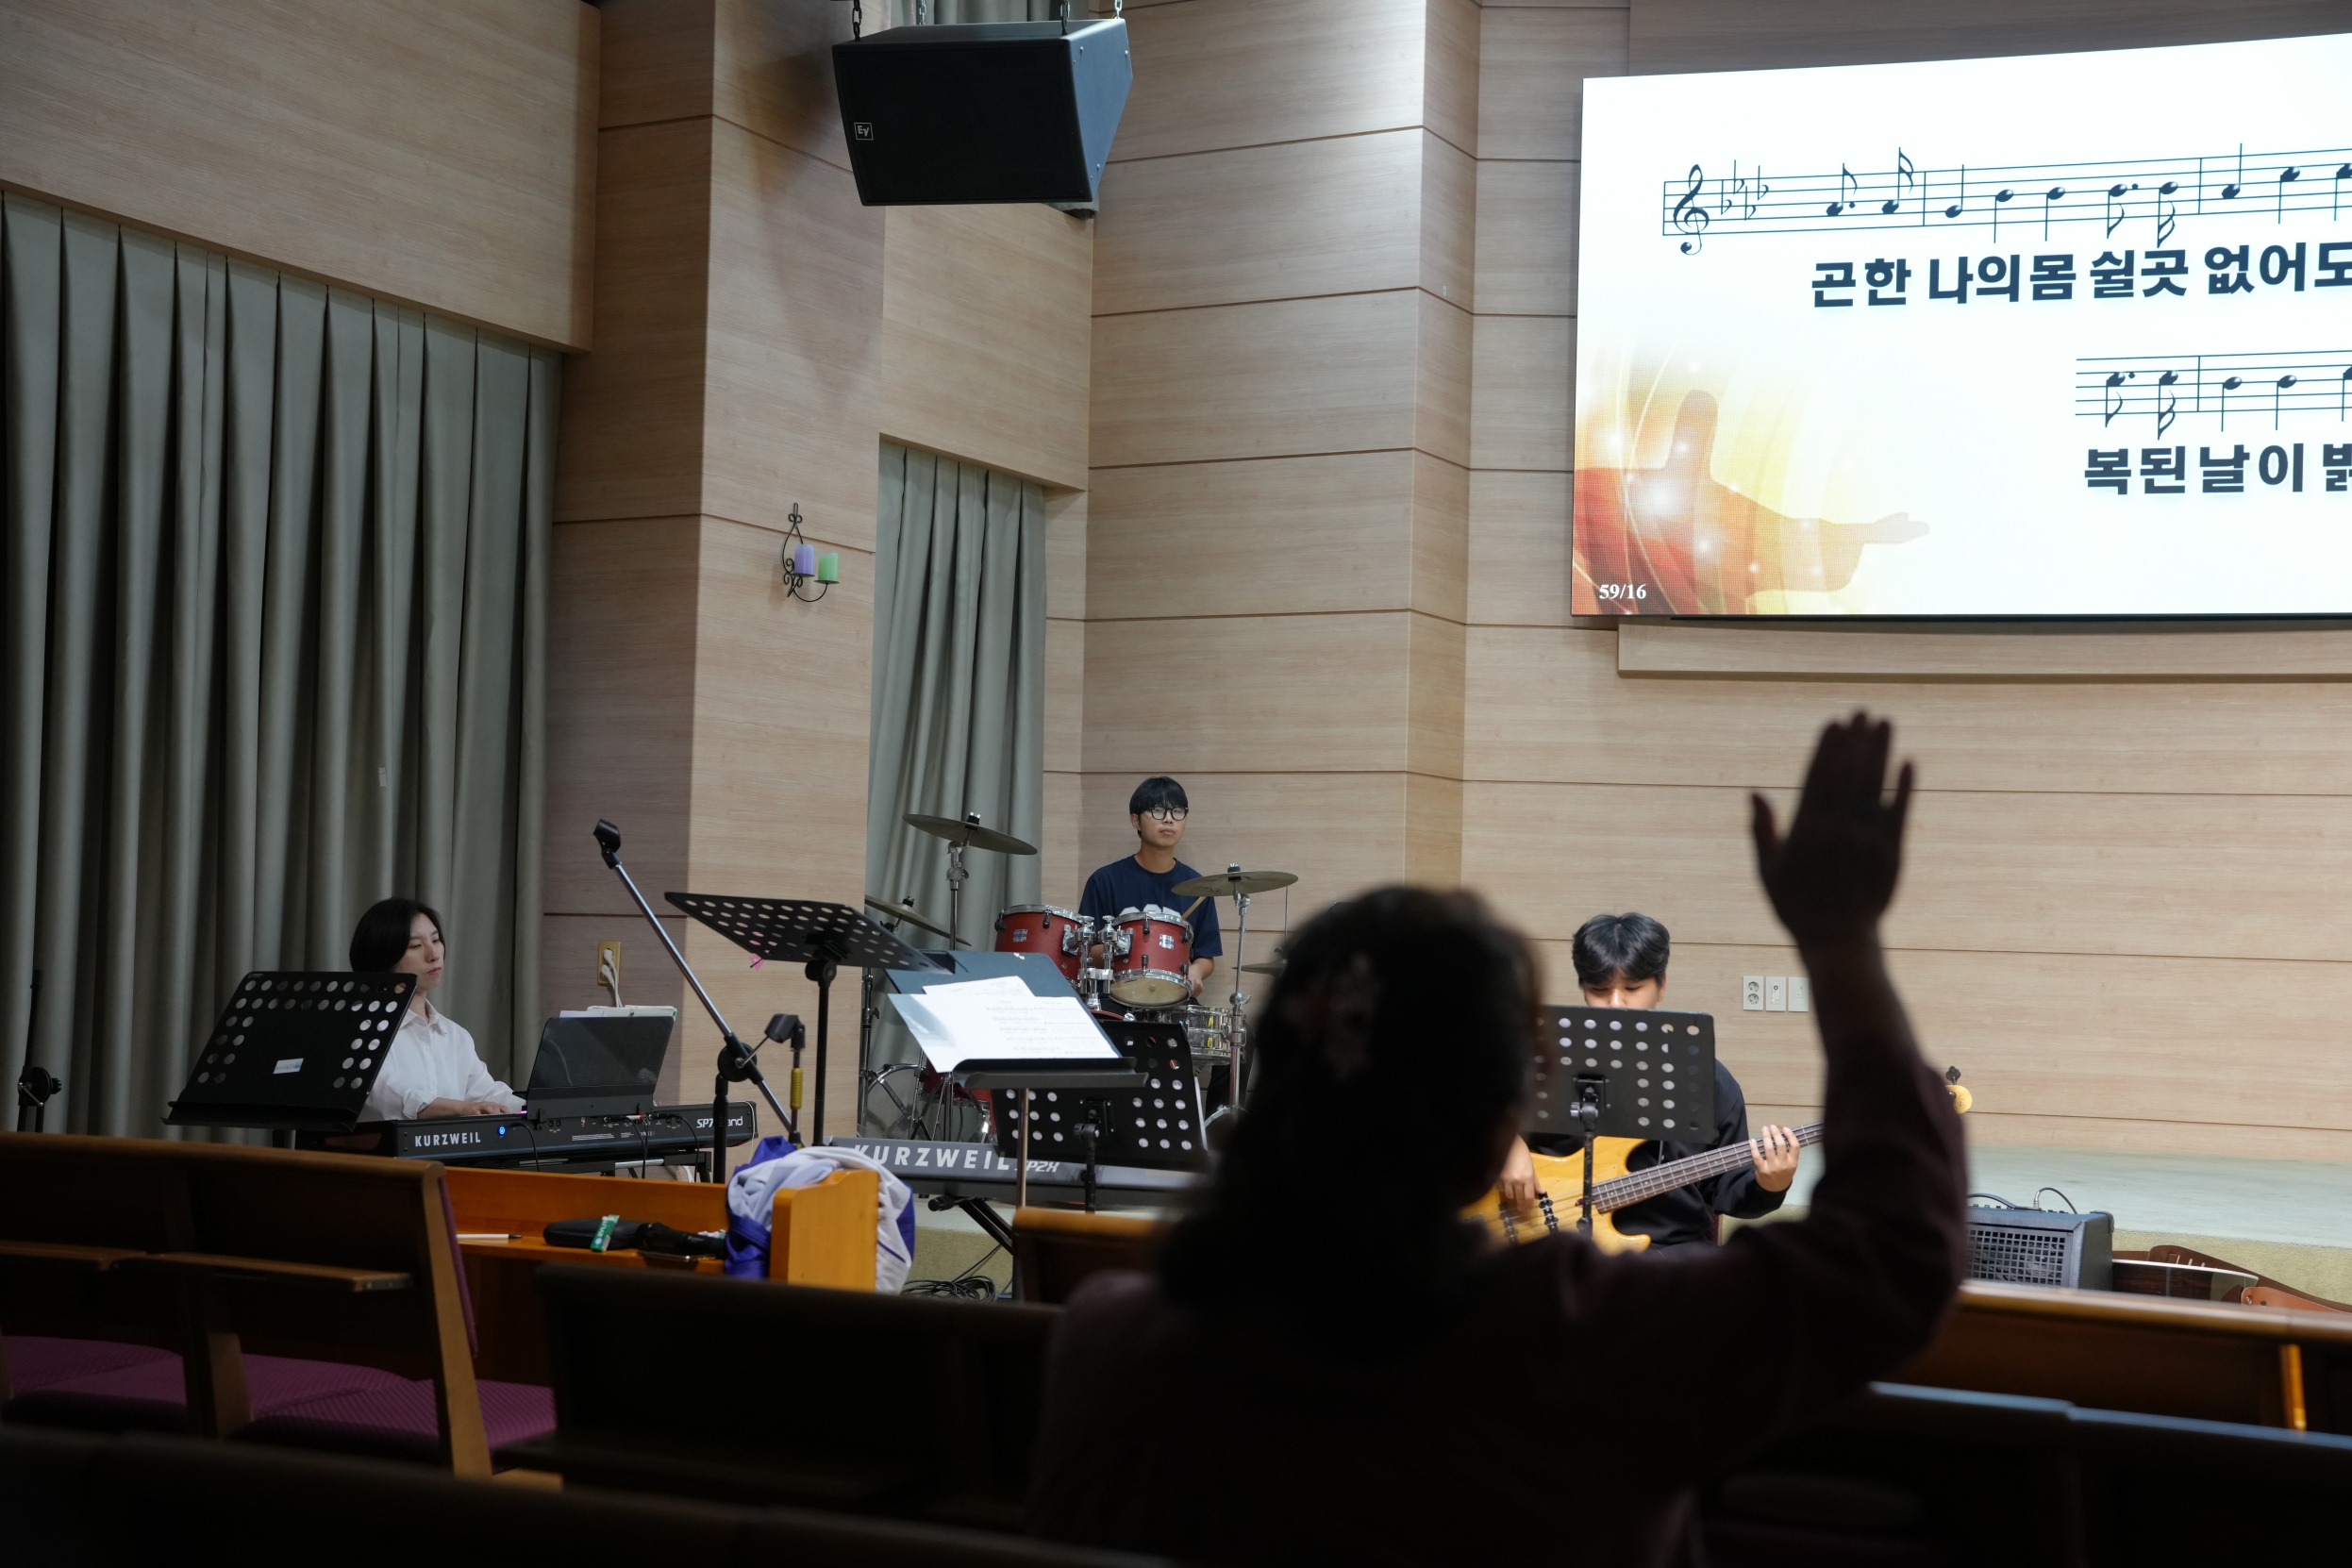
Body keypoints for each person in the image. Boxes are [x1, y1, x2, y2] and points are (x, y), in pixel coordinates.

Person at [1029, 713, 1967, 1566]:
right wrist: (1840, 940)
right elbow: (1890, 1262)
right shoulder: (1584, 1341)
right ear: (1495, 1126)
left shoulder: (1106, 1339)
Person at [1497, 911, 1801, 1246]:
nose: (1616, 1004)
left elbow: (1728, 1193)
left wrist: (1772, 1184)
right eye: (1599, 989)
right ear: (1583, 987)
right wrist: (1505, 1143)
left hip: (1670, 1251)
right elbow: (1469, 1118)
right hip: (1554, 1242)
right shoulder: (1545, 1062)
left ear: (1661, 985)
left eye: (1632, 988)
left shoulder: (1709, 1080)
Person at [349, 897, 524, 1123]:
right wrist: (463, 1108)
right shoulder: (359, 1025)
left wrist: (538, 1108)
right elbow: (388, 1096)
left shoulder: (455, 1035)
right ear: (382, 955)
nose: (434, 955)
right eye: (415, 946)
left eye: (436, 940)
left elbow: (488, 1094)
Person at [1077, 776, 1221, 1001]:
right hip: (1116, 999)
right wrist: (1130, 948)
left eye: (1177, 812)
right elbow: (1086, 951)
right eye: (1158, 811)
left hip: (1175, 1000)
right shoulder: (1104, 880)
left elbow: (1206, 957)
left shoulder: (1198, 887)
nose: (1169, 819)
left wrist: (1196, 970)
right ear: (1136, 821)